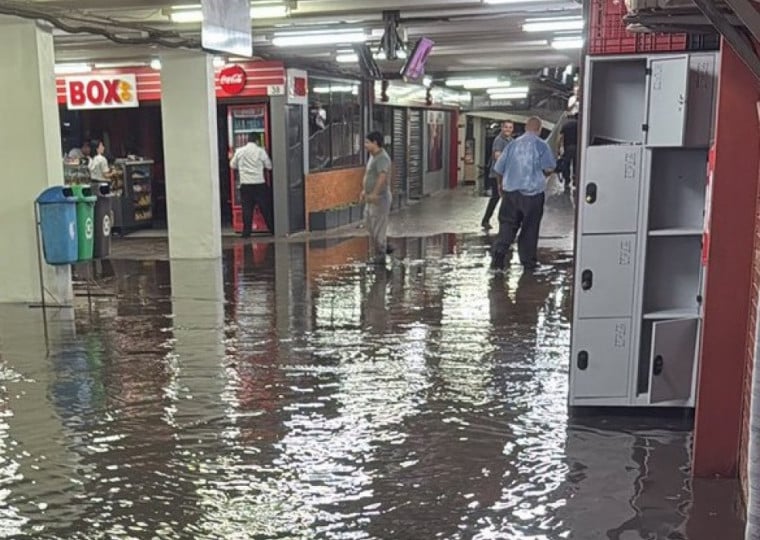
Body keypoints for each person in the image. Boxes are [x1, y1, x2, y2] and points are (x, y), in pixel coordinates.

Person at [491, 116, 556, 271]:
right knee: (530, 228)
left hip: (511, 194)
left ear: (526, 128)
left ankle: (498, 258)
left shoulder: (512, 145)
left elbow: (499, 168)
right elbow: (549, 168)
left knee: (507, 226)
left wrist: (501, 185)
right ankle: (528, 263)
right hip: (533, 196)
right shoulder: (542, 146)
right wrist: (541, 176)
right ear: (539, 129)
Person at [230, 132, 274, 237]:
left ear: (247, 140)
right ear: (257, 141)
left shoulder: (240, 151)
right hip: (259, 184)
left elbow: (232, 165)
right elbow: (269, 166)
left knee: (247, 209)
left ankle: (246, 232)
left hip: (246, 184)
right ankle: (272, 229)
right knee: (265, 208)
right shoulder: (260, 151)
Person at [360, 131, 392, 265]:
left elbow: (382, 177)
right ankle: (384, 246)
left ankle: (381, 256)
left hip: (379, 199)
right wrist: (364, 190)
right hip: (370, 198)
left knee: (378, 226)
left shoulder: (382, 158)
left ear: (375, 143)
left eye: (367, 142)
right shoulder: (372, 156)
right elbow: (369, 175)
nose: (365, 145)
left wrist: (374, 193)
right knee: (369, 223)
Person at [482, 120, 514, 230]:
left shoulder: (511, 140)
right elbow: (497, 156)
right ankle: (488, 220)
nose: (508, 129)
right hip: (497, 174)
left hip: (507, 174)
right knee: (496, 197)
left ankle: (492, 220)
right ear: (502, 128)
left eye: (510, 127)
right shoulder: (499, 140)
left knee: (503, 198)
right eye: (506, 127)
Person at [558, 113, 578, 189]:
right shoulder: (579, 125)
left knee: (566, 164)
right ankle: (575, 179)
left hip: (568, 148)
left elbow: (560, 138)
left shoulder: (565, 125)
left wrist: (558, 149)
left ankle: (567, 180)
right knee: (576, 164)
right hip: (577, 147)